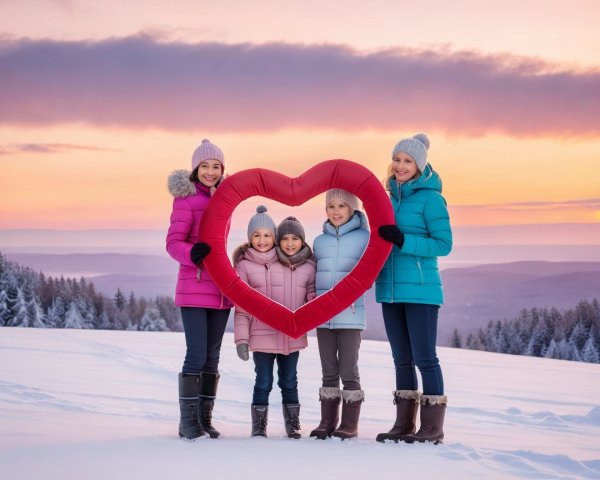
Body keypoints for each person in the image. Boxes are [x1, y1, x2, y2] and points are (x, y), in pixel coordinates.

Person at [375, 133, 452, 444]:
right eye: (397, 159)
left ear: (420, 166)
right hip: (391, 288)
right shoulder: (385, 198)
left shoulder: (432, 199)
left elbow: (444, 244)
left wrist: (403, 240)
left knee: (425, 357)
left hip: (421, 289)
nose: (400, 166)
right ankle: (403, 424)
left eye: (407, 161)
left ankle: (432, 427)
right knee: (401, 359)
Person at [166, 139, 233, 440]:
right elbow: (173, 243)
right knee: (195, 354)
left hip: (220, 288)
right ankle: (188, 422)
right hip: (193, 284)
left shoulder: (226, 198)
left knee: (212, 357)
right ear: (195, 168)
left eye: (216, 166)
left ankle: (205, 419)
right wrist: (192, 253)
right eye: (204, 166)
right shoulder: (186, 198)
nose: (210, 171)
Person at [233, 208, 316, 438]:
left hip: (291, 336)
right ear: (249, 238)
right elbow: (241, 309)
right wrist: (241, 339)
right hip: (261, 336)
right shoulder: (244, 266)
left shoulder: (290, 263)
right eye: (256, 235)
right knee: (263, 381)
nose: (262, 241)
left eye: (267, 235)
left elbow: (310, 295)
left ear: (274, 239)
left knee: (290, 381)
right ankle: (259, 426)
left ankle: (293, 424)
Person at [310, 189, 369, 440]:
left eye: (342, 206)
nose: (335, 211)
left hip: (350, 314)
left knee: (348, 370)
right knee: (328, 370)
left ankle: (349, 423)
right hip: (323, 316)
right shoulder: (318, 241)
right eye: (331, 206)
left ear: (353, 209)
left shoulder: (365, 238)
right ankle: (327, 421)